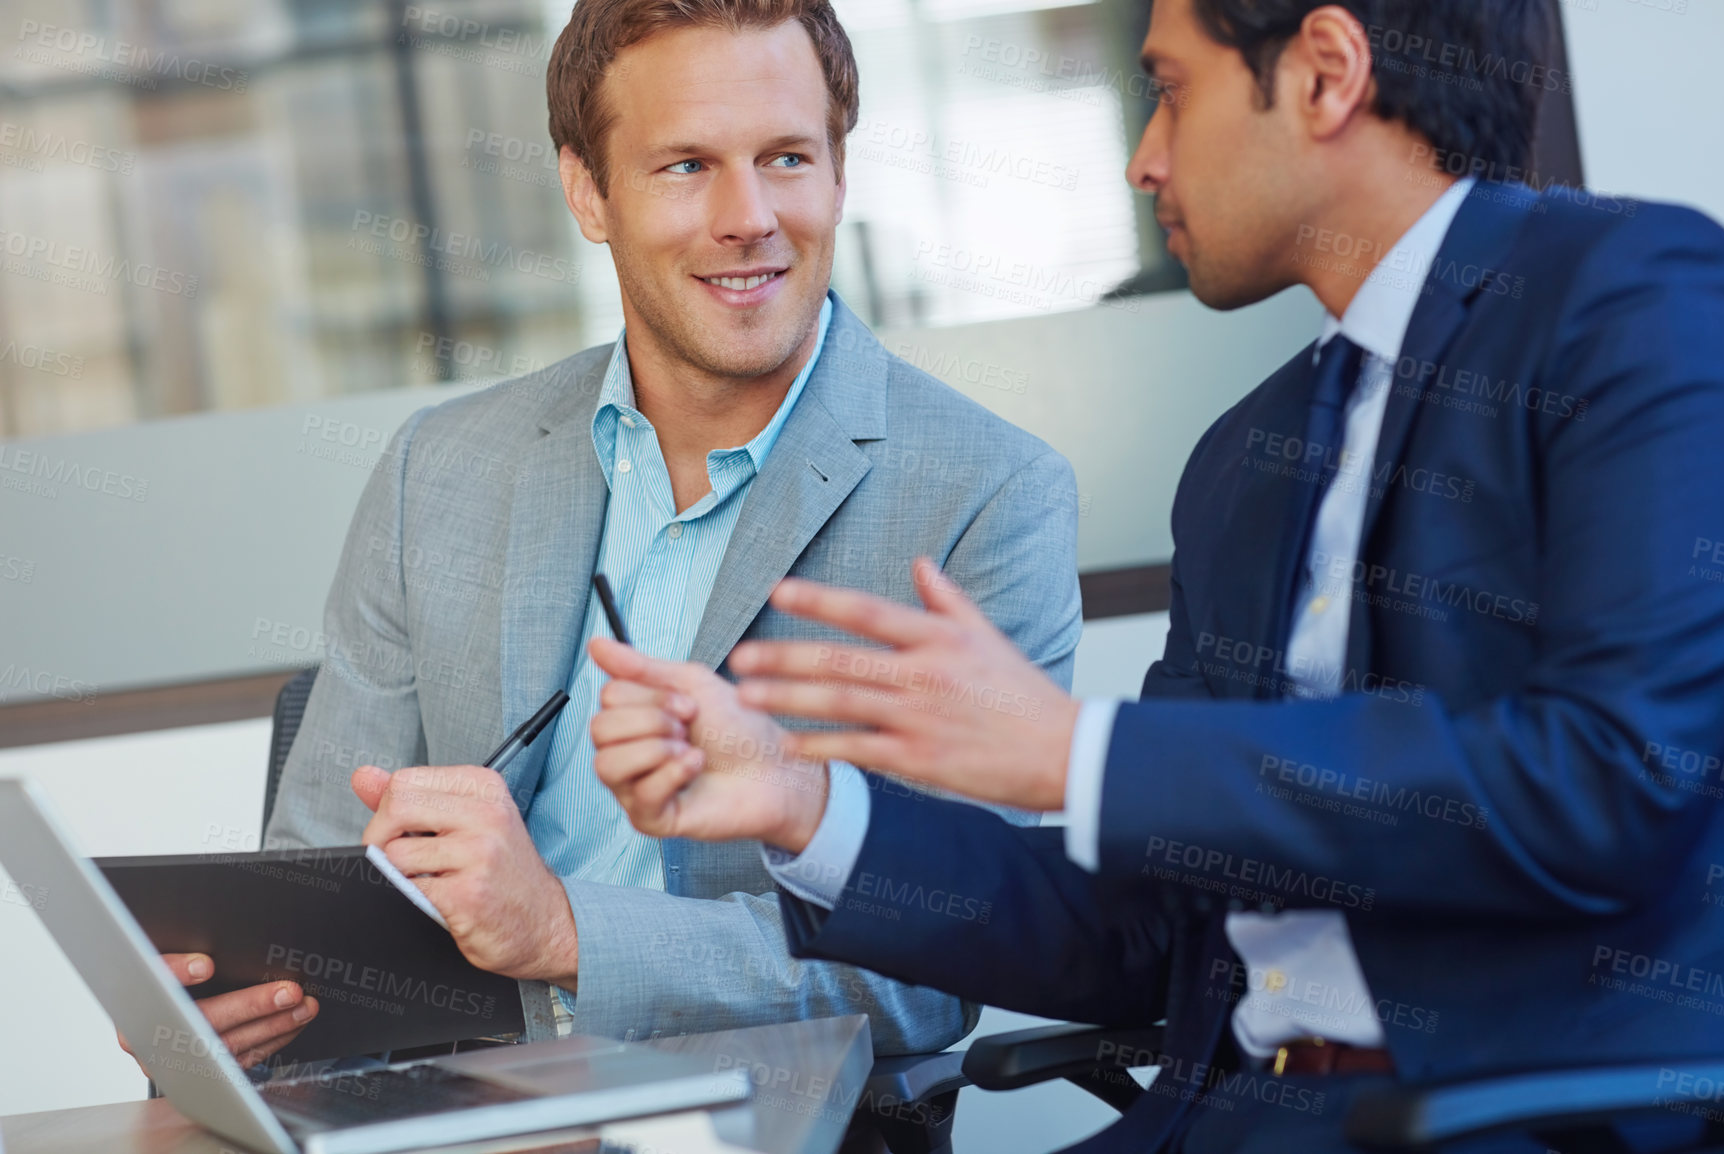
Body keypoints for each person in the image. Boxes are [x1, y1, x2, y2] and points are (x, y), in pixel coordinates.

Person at [589, 0, 1724, 1149]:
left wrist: (1073, 753)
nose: (1143, 159)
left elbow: (1608, 780)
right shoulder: (1252, 457)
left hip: (1492, 1123)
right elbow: (1151, 931)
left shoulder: (1631, 298)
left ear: (1325, 74)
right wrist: (811, 805)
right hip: (1230, 1112)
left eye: (1172, 89)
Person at [121, 0, 1082, 1074]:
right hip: (453, 1104)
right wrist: (232, 1002)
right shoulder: (436, 471)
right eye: (685, 166)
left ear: (839, 172)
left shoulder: (987, 496)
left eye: (786, 157)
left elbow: (942, 965)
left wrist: (566, 932)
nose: (749, 214)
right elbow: (313, 876)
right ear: (588, 190)